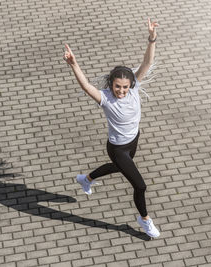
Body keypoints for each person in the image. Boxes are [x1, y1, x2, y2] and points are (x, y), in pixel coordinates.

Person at [63, 18, 160, 238]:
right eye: (118, 86)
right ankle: (144, 220)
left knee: (118, 168)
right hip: (117, 148)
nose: (122, 91)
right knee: (140, 186)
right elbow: (87, 86)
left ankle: (86, 179)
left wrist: (152, 38)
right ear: (111, 84)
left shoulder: (134, 88)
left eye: (125, 87)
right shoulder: (105, 98)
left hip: (133, 139)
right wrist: (74, 64)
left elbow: (147, 62)